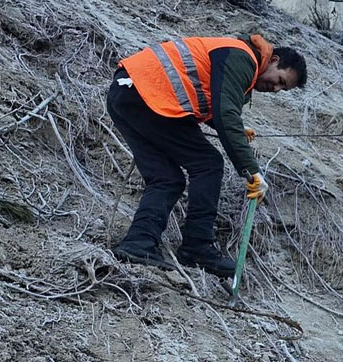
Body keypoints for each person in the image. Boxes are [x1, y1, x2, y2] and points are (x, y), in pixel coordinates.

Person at [108, 35, 308, 277]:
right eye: (279, 80)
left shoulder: (236, 57)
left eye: (281, 89)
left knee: (166, 178)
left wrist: (226, 125)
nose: (275, 89)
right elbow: (227, 113)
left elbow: (214, 101)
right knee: (209, 164)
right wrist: (251, 171)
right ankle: (197, 246)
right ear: (274, 60)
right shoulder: (242, 57)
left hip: (127, 92)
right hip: (150, 95)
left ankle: (138, 244)